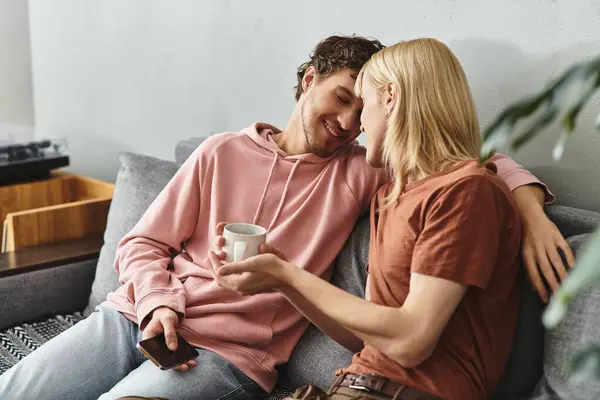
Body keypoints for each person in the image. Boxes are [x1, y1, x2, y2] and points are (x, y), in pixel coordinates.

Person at [0, 35, 568, 400]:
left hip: (227, 354)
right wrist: (157, 301)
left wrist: (530, 204)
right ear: (308, 80)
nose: (350, 121)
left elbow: (466, 163)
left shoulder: (364, 172)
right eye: (342, 97)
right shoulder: (220, 152)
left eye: (361, 105)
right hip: (139, 318)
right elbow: (141, 244)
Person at [207, 38, 546, 400]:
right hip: (354, 385)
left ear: (390, 97)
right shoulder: (389, 196)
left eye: (363, 105)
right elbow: (364, 337)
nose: (358, 126)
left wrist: (290, 275)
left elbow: (410, 341)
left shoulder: (466, 191)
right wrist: (283, 279)